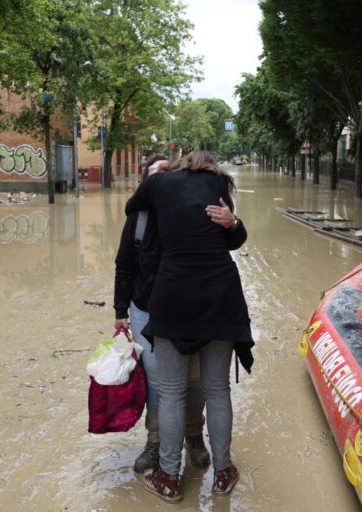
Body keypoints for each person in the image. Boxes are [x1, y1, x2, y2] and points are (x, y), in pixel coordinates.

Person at [124, 151, 254, 503]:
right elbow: (230, 241)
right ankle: (223, 472)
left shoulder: (158, 183)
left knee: (170, 391)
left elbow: (131, 207)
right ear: (210, 167)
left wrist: (159, 190)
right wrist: (233, 222)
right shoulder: (220, 185)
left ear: (180, 165)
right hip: (221, 298)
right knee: (217, 390)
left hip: (174, 296)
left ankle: (168, 475)